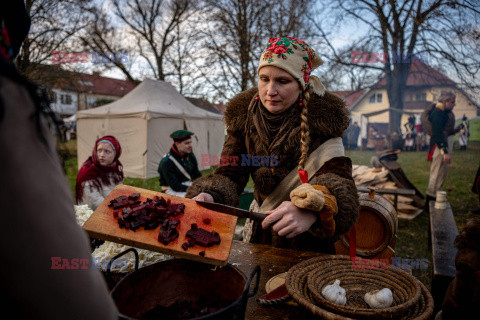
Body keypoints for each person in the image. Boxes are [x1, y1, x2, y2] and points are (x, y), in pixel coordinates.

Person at [186, 37, 359, 253]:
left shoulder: (323, 122)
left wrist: (312, 211)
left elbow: (338, 181)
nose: (270, 90)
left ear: (301, 84)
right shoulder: (243, 118)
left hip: (307, 241)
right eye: (264, 79)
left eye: (283, 81)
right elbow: (230, 172)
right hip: (261, 233)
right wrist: (211, 195)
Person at [0, 1, 117, 318]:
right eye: (101, 151)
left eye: (110, 152)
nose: (104, 155)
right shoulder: (10, 101)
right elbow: (69, 292)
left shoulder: (113, 171)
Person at [422, 91, 461, 212]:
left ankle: (436, 202)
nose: (454, 104)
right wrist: (444, 151)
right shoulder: (439, 113)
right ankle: (429, 205)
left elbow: (444, 130)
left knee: (441, 175)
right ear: (445, 101)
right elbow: (438, 134)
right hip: (440, 146)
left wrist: (454, 131)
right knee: (436, 174)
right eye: (452, 102)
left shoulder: (445, 112)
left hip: (443, 144)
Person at [76, 135, 124, 211]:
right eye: (99, 150)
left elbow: (119, 191)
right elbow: (95, 201)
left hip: (112, 210)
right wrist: (115, 208)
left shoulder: (115, 170)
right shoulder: (88, 173)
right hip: (92, 214)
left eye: (107, 152)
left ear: (116, 154)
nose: (102, 155)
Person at [158, 129, 202, 197]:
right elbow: (175, 186)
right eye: (187, 143)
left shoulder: (190, 154)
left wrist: (202, 185)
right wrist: (194, 189)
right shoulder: (166, 161)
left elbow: (196, 174)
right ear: (177, 144)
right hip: (171, 189)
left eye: (190, 142)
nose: (190, 145)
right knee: (193, 198)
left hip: (186, 184)